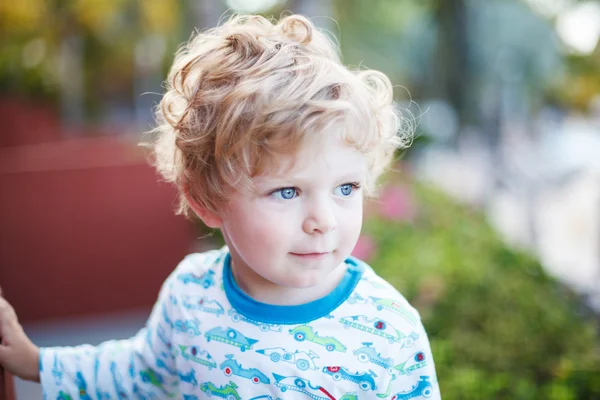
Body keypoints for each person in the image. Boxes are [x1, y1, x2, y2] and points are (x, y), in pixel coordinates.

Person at [0, 14, 440, 399]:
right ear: (208, 202)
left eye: (346, 188)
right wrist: (37, 363)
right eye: (287, 192)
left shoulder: (389, 331)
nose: (323, 221)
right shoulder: (190, 296)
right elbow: (140, 373)